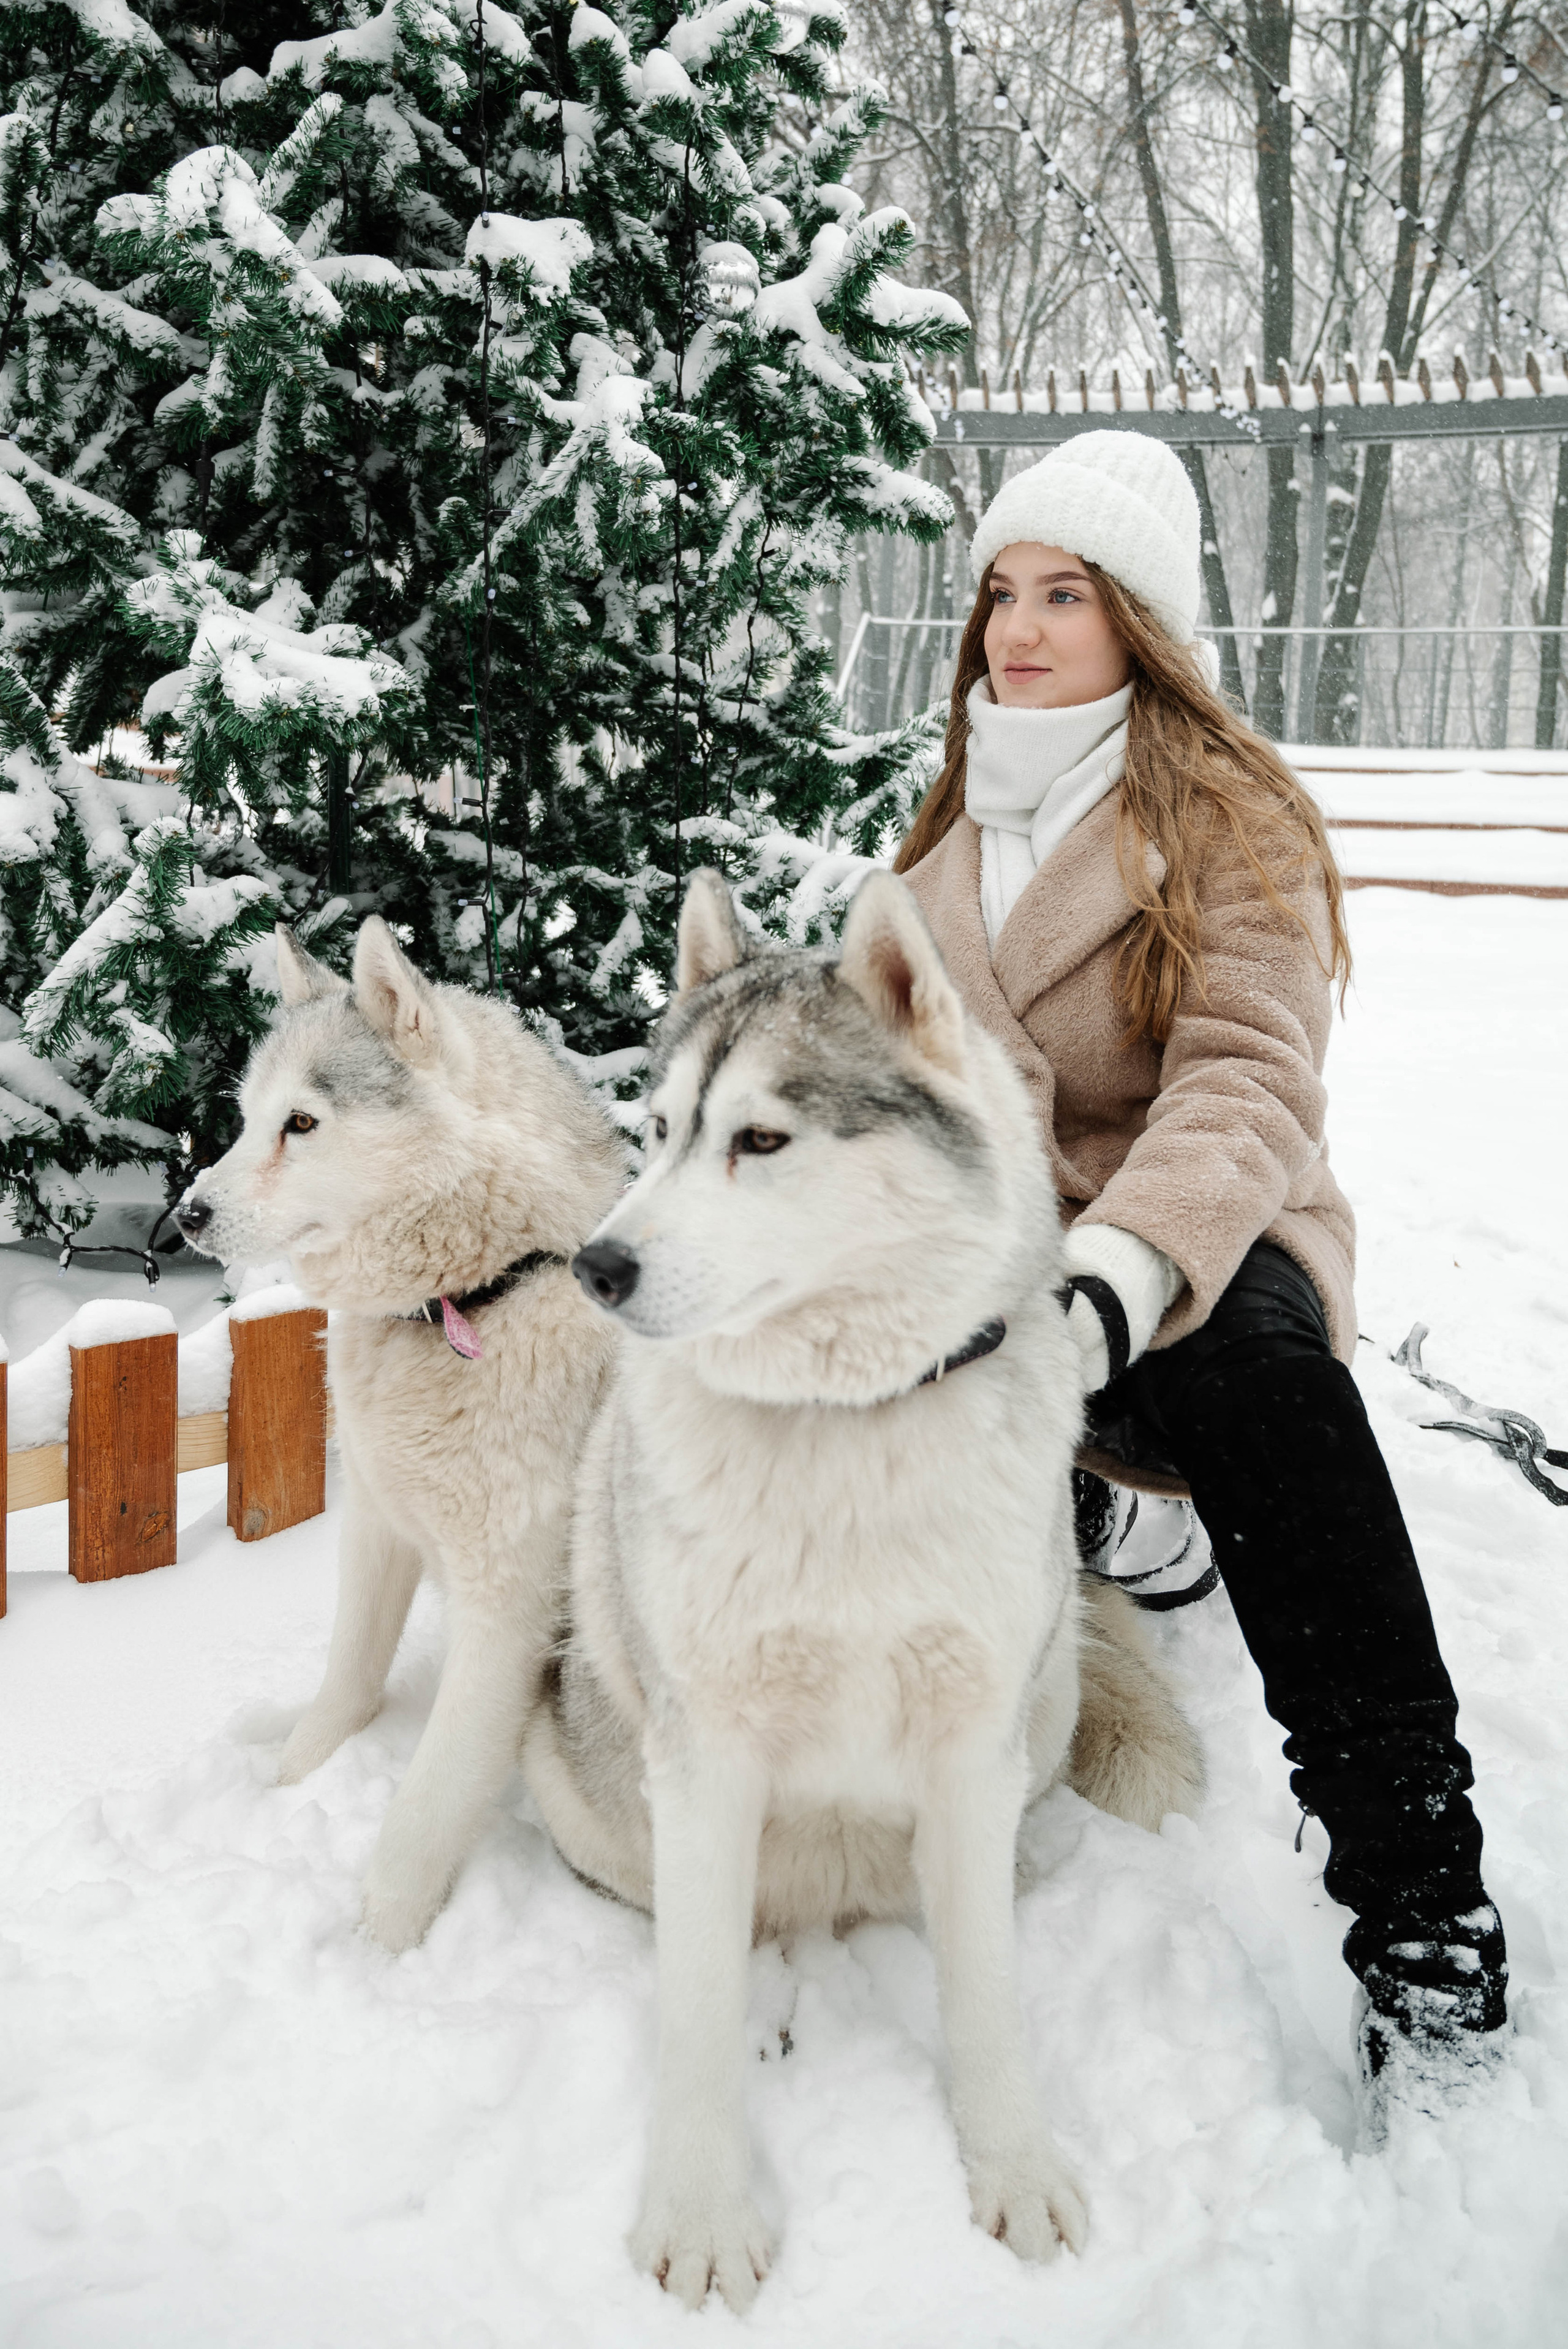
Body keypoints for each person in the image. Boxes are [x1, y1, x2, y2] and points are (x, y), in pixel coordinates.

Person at [892, 430, 1507, 2135]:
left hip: (1207, 1241)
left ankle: (1422, 1901)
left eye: (1064, 595)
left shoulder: (1230, 821)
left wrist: (1113, 1272)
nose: (1016, 631)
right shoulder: (939, 845)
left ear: (1140, 621)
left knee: (1263, 1393)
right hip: (1012, 1270)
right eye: (1002, 594)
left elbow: (1245, 1078)